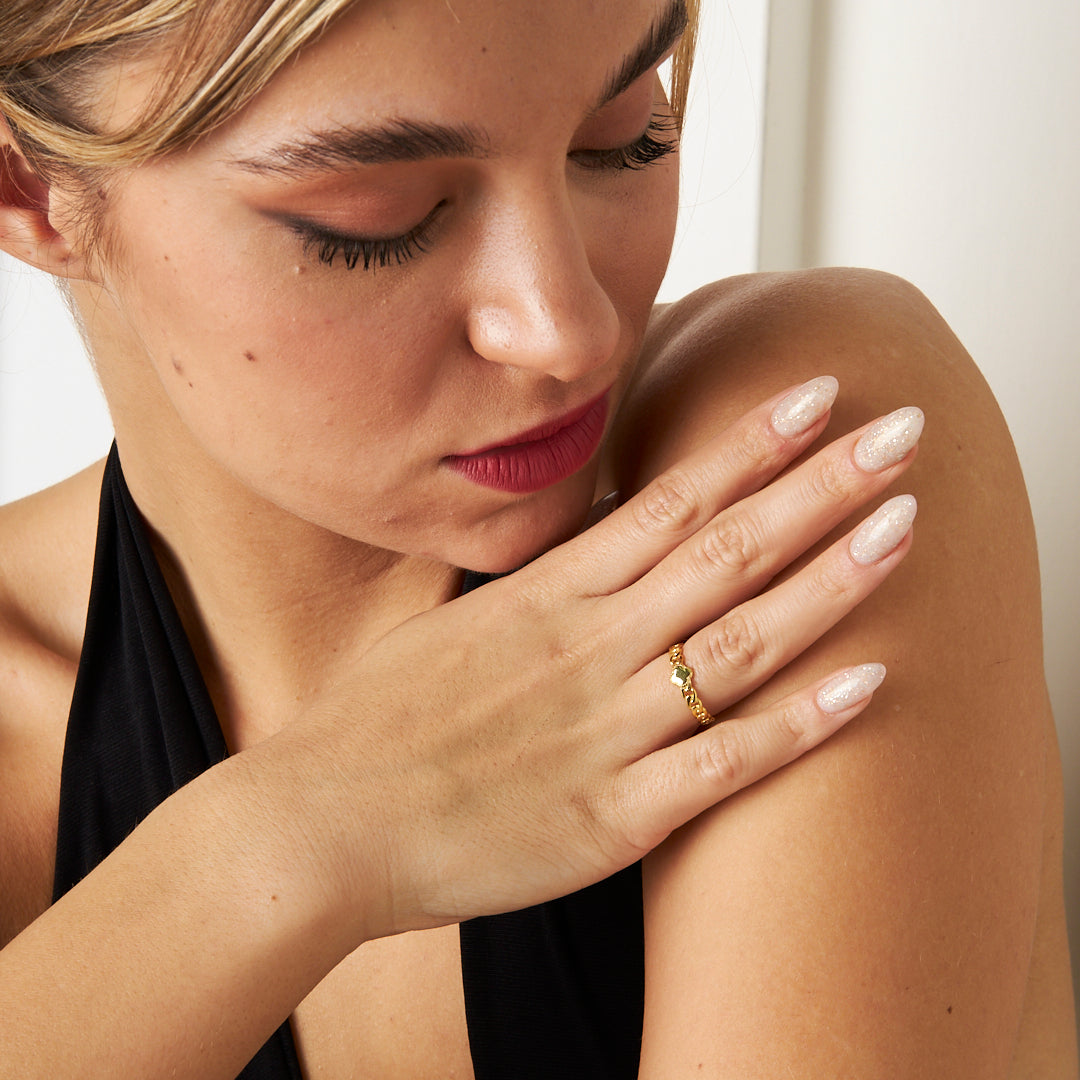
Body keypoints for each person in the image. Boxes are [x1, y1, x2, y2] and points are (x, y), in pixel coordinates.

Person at [0, 0, 1075, 1076]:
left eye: (624, 137)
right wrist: (291, 839)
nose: (569, 329)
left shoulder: (786, 467)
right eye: (383, 218)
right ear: (30, 188)